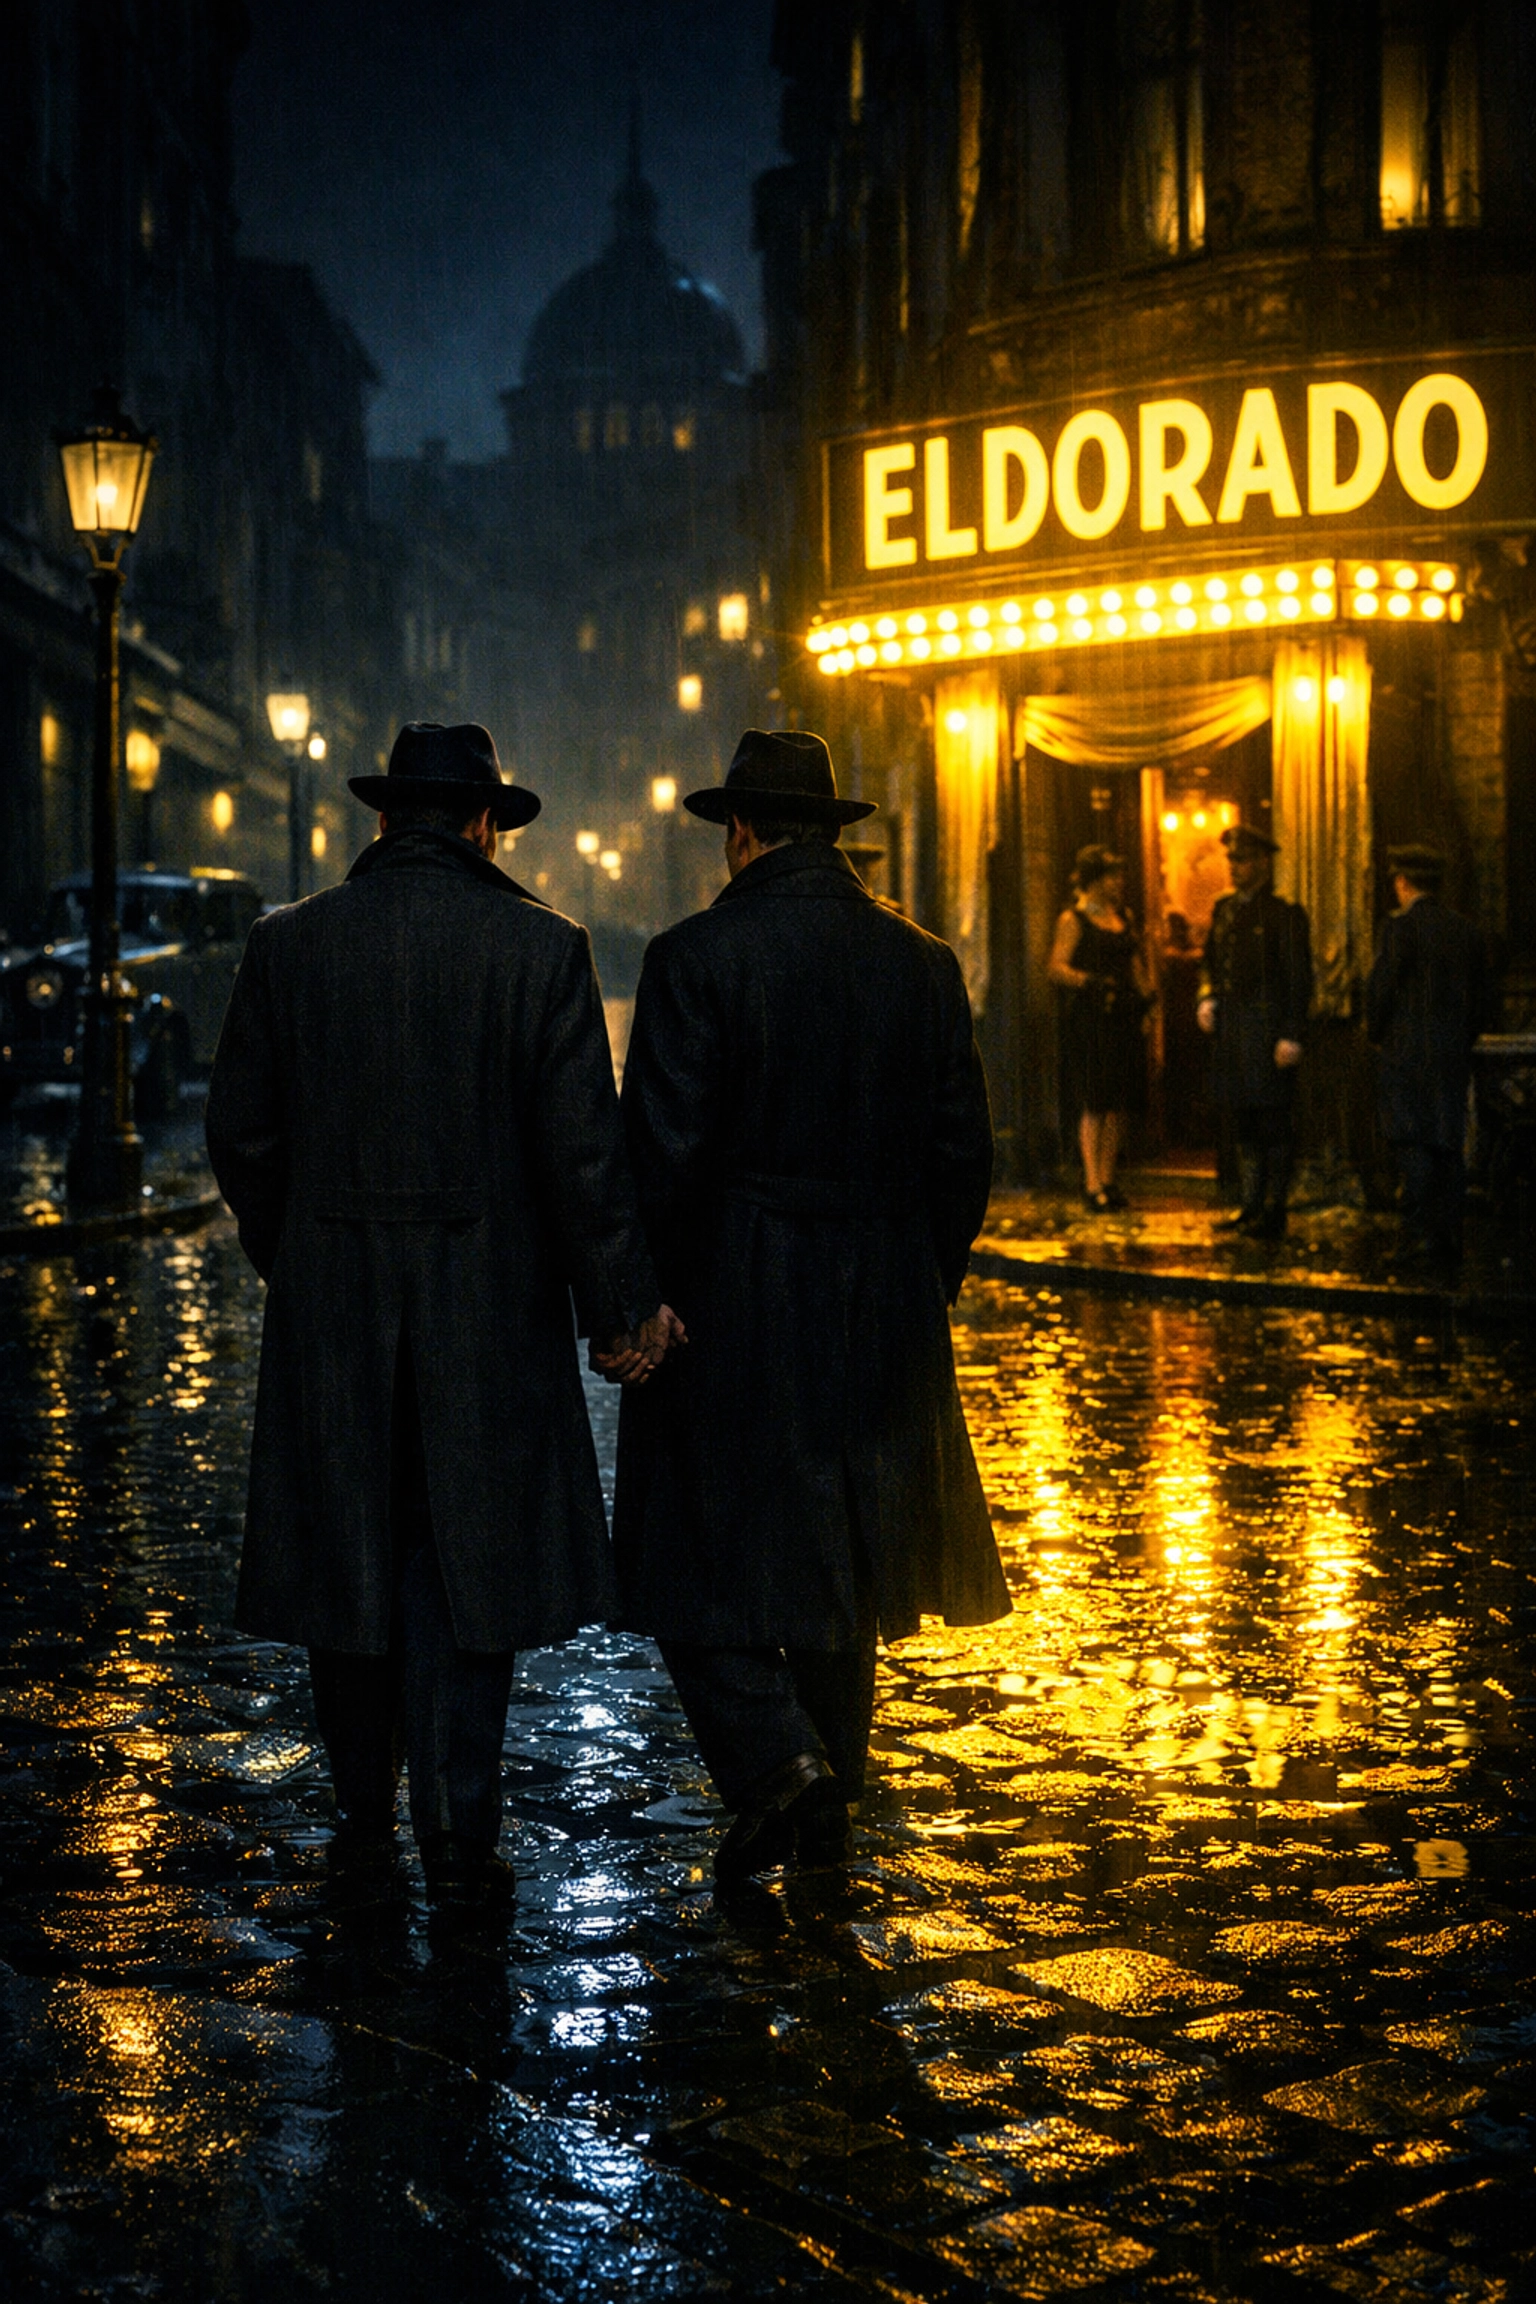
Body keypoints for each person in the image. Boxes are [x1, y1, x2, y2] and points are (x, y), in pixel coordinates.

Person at [206, 722, 680, 1902]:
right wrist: (619, 1310)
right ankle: (463, 1814)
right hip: (491, 1313)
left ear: (380, 821)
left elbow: (243, 1137)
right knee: (475, 1567)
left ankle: (363, 1804)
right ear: (482, 825)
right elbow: (584, 1155)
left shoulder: (290, 945)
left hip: (336, 1308)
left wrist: (303, 1256)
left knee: (345, 1560)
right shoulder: (541, 949)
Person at [607, 729, 1010, 1887]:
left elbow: (665, 1156)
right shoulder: (922, 961)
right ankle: (827, 1817)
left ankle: (777, 1760)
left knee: (687, 1549)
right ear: (831, 834)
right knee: (849, 1562)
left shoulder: (696, 957)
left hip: (736, 1290)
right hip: (882, 1293)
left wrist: (649, 1302)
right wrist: (916, 1279)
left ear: (739, 831)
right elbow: (961, 1153)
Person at [1366, 843, 1496, 1266]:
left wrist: (1377, 1033)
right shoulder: (1466, 931)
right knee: (1447, 1145)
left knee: (1413, 1145)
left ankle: (1416, 1239)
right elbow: (1483, 1002)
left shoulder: (1398, 929)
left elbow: (1381, 991)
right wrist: (1460, 1038)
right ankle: (1448, 1240)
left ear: (1402, 883)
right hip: (1451, 1058)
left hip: (1405, 1057)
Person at [1197, 823, 1313, 1240]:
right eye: (1231, 860)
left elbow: (1298, 979)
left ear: (1264, 863)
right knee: (1243, 1123)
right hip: (1233, 1032)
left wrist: (1292, 1034)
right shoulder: (1224, 910)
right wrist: (1205, 998)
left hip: (1267, 1033)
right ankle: (1249, 1205)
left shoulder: (1284, 915)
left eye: (1243, 861)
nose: (1235, 868)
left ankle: (1274, 1208)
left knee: (1274, 1123)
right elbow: (1210, 963)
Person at [1047, 844, 1152, 1210]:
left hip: (1124, 1017)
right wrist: (1089, 981)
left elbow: (1135, 962)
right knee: (1095, 1101)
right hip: (1092, 1021)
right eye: (1111, 875)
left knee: (1119, 1103)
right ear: (1094, 879)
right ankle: (1092, 1183)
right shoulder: (1073, 919)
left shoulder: (1123, 916)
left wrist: (1147, 1000)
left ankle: (1109, 1177)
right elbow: (1056, 967)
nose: (1118, 882)